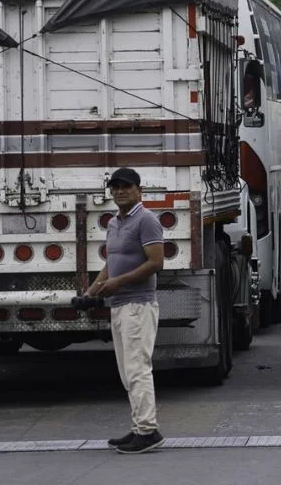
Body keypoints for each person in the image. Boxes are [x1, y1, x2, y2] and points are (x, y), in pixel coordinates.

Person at [87, 167, 166, 454]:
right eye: (115, 187)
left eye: (126, 186)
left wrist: (118, 282)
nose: (119, 191)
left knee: (137, 369)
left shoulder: (146, 220)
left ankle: (148, 431)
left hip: (138, 304)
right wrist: (92, 291)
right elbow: (112, 263)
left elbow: (156, 262)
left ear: (139, 190)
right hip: (119, 305)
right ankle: (139, 427)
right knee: (126, 372)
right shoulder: (114, 223)